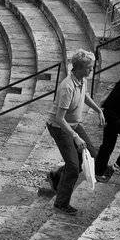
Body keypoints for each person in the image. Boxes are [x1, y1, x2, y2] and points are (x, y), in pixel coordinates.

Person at [45, 50, 103, 215]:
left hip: (74, 124)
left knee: (91, 153)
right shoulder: (67, 87)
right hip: (59, 127)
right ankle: (61, 203)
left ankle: (56, 177)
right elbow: (59, 118)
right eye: (88, 68)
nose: (91, 71)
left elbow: (84, 95)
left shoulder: (82, 79)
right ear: (78, 68)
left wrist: (98, 110)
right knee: (73, 166)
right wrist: (75, 137)